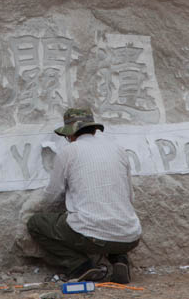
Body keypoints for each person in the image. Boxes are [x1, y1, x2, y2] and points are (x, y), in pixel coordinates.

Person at [25, 107, 142, 284]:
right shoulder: (118, 149)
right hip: (131, 236)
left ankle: (81, 266)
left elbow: (53, 193)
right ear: (94, 129)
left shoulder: (69, 152)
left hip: (91, 236)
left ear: (70, 134)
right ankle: (120, 259)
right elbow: (130, 197)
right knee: (112, 220)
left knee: (36, 224)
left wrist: (32, 208)